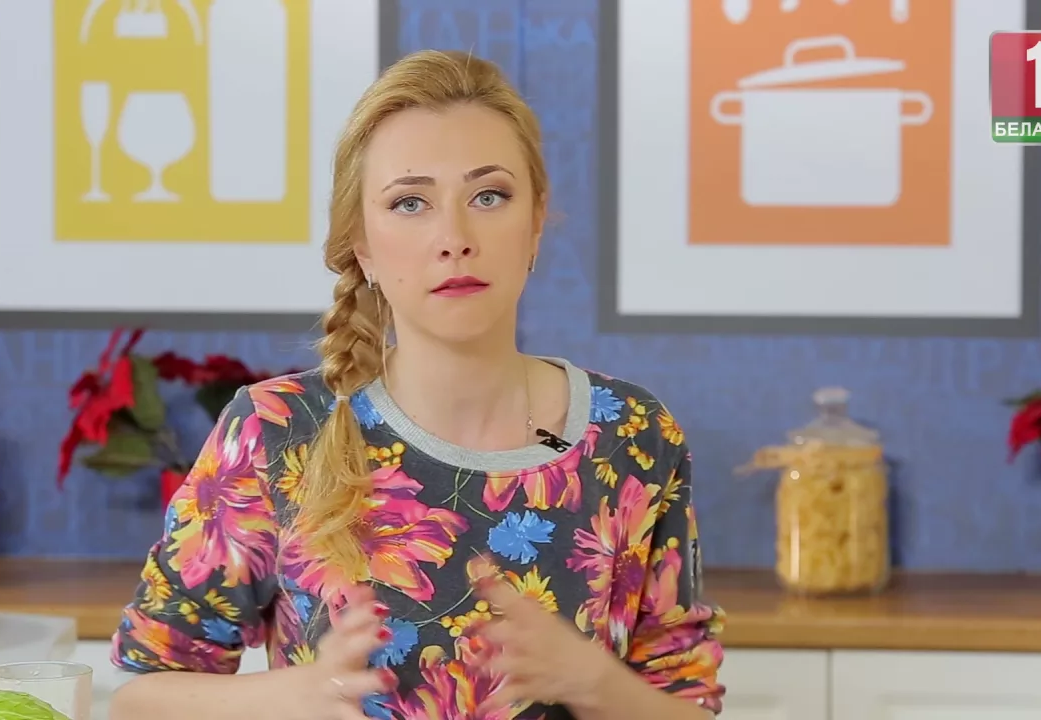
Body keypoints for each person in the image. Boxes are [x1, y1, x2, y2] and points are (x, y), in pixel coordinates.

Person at [107, 49, 726, 720]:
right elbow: (139, 699)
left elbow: (689, 707)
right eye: (410, 203)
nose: (454, 237)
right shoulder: (276, 431)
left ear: (535, 222)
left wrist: (595, 683)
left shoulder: (634, 435)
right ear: (363, 246)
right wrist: (291, 696)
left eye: (489, 196)